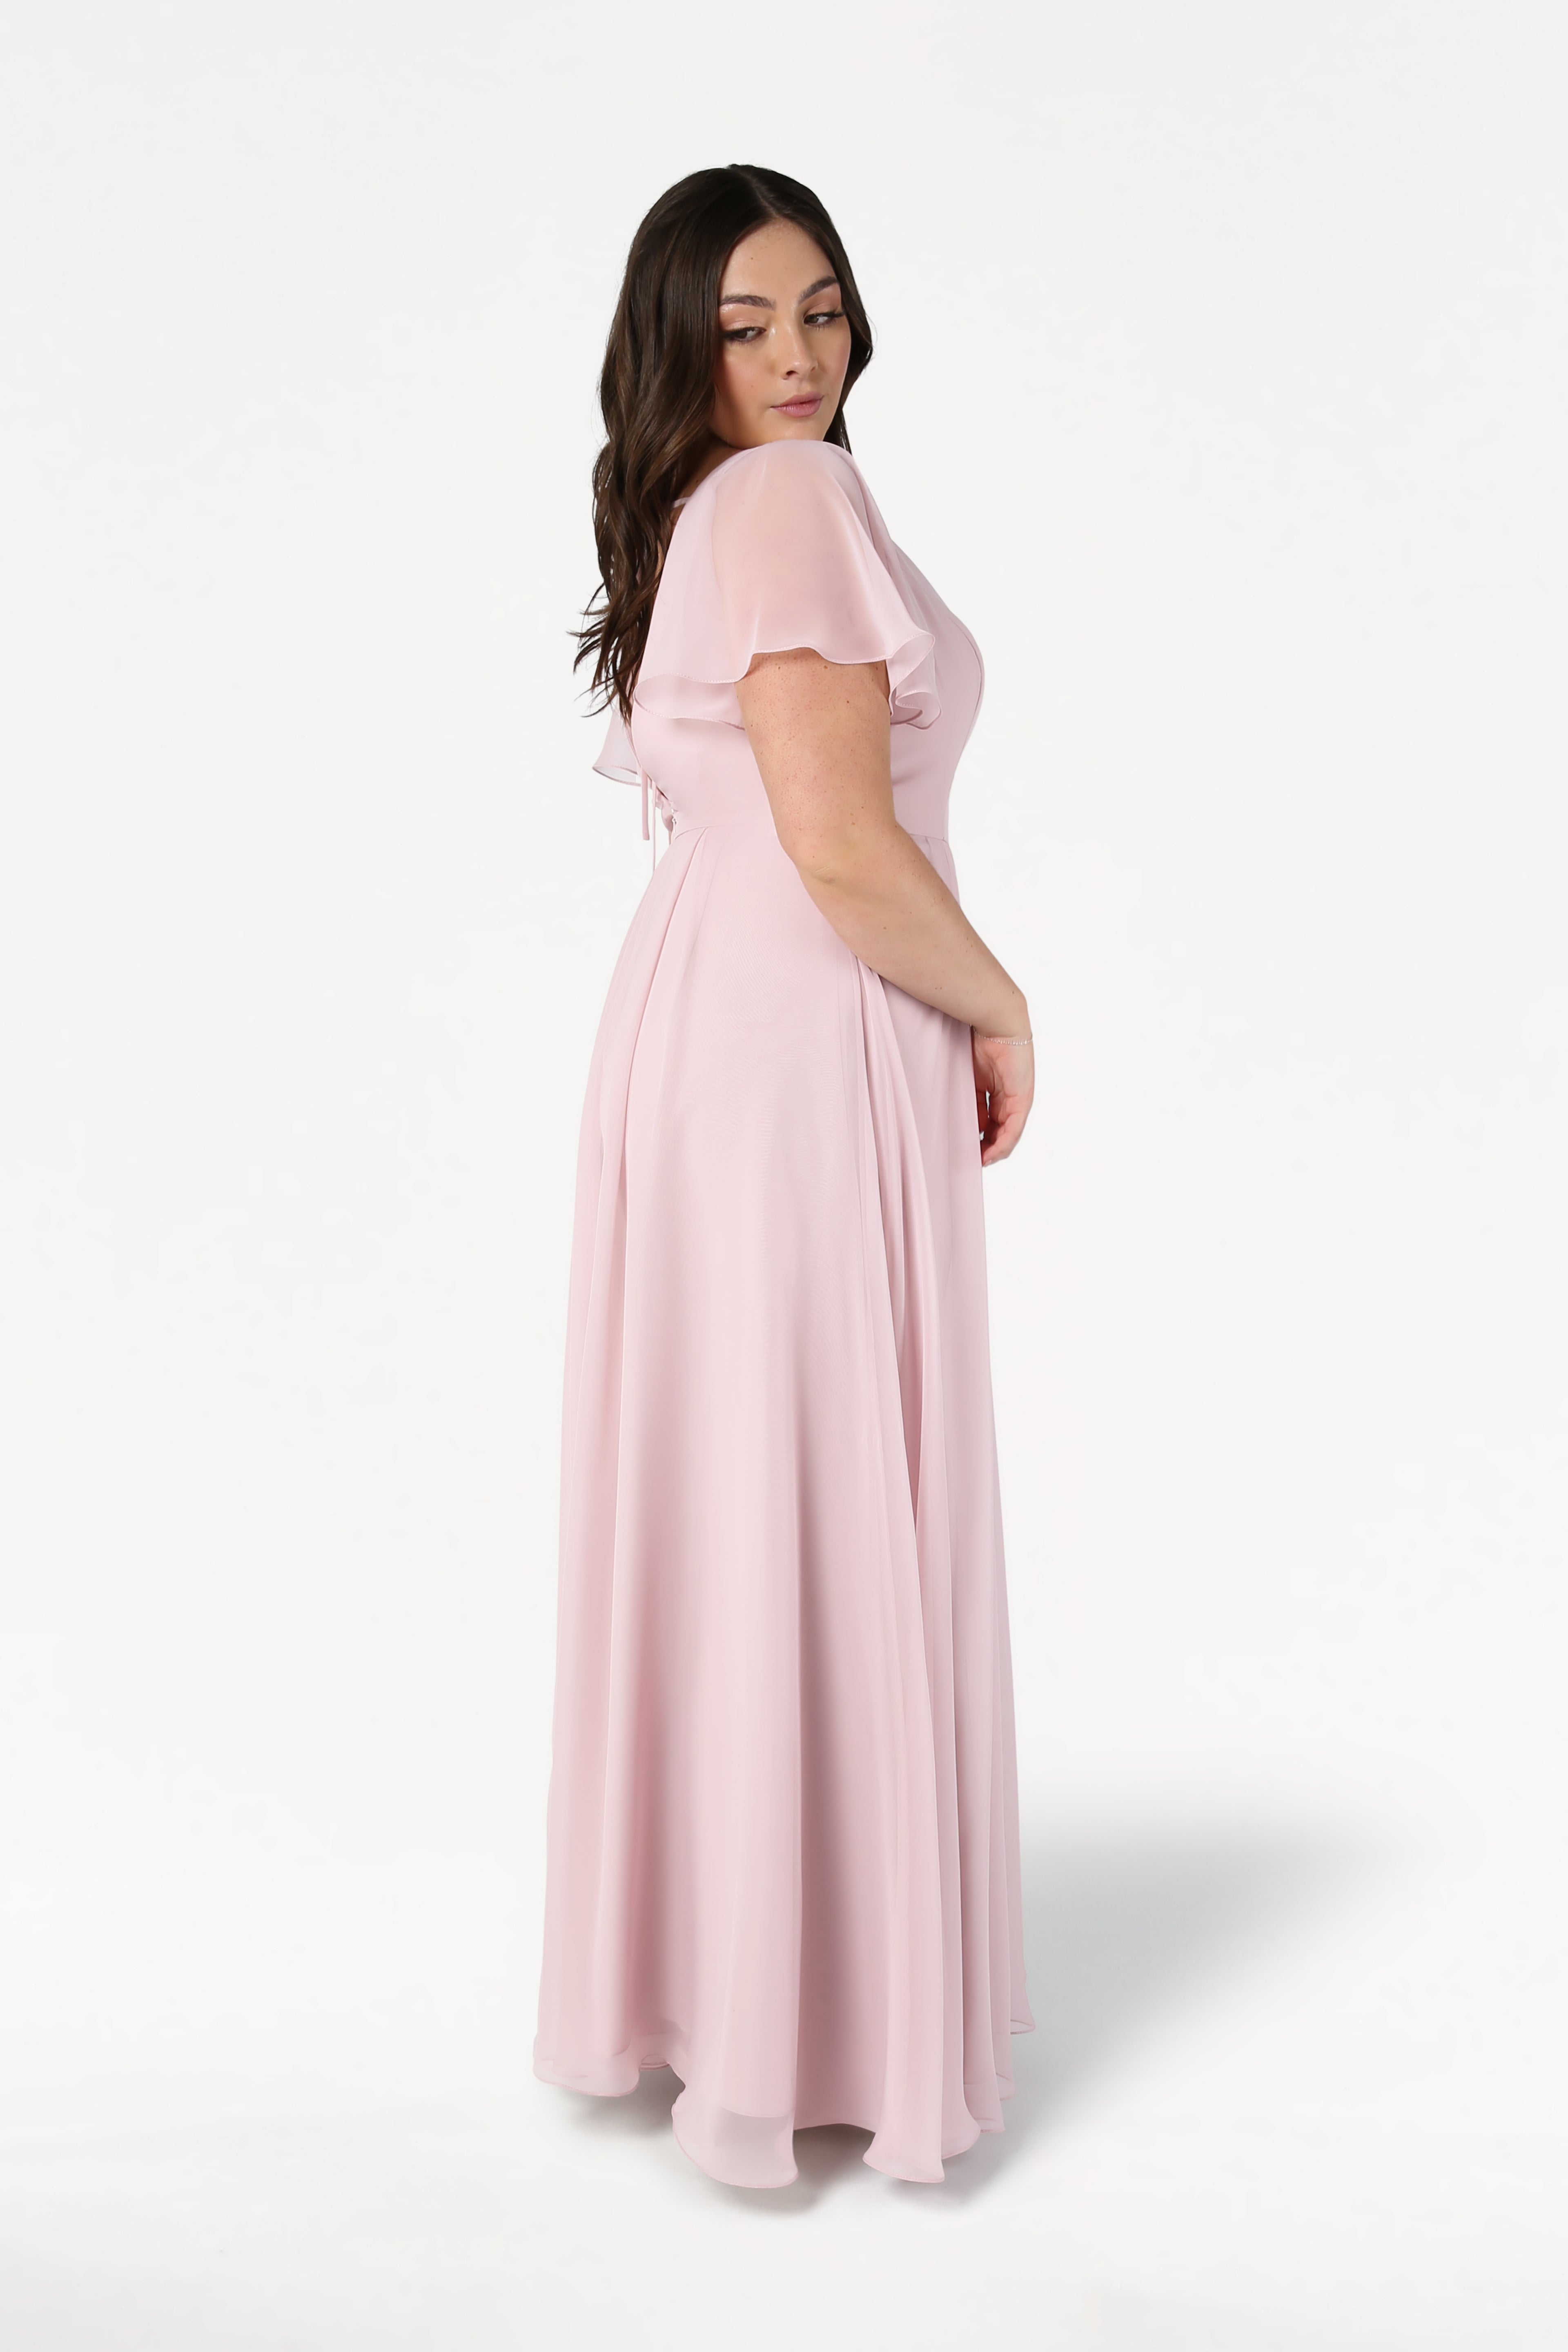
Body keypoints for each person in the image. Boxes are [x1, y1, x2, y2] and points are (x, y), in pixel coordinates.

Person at [532, 163, 1036, 2189]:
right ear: (681, 344)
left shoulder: (709, 509)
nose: (799, 356)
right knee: (811, 1483)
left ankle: (737, 1995)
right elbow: (838, 840)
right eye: (745, 325)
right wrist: (1002, 999)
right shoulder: (788, 506)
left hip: (703, 1028)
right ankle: (818, 2014)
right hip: (804, 1027)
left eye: (819, 308)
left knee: (743, 1493)